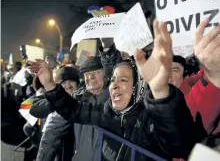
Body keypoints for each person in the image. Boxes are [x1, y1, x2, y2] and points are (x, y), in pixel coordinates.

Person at [29, 20, 198, 160]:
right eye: (113, 80)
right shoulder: (107, 112)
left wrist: (160, 90)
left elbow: (181, 146)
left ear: (137, 88)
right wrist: (50, 84)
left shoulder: (149, 118)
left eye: (123, 80)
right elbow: (73, 110)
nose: (114, 85)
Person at [30, 39, 123, 161]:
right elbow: (52, 135)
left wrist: (107, 47)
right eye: (86, 74)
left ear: (106, 75)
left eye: (96, 72)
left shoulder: (118, 99)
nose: (91, 77)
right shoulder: (75, 101)